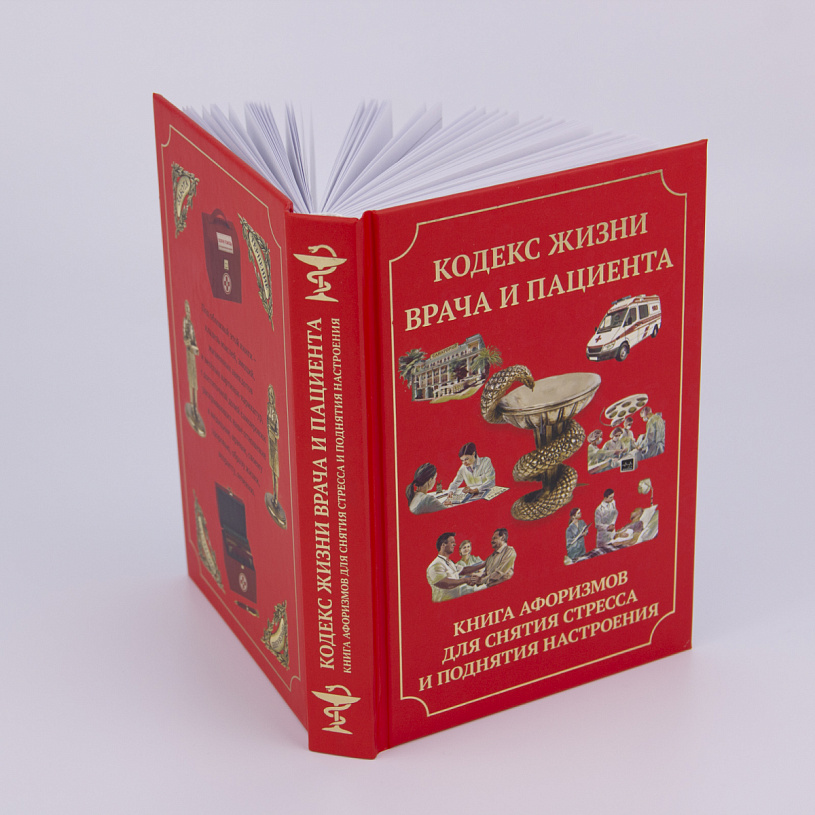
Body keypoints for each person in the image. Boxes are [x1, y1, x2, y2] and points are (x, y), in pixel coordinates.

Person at [427, 533, 480, 602]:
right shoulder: (436, 565)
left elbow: (464, 570)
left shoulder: (450, 562)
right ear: (443, 545)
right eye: (452, 542)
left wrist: (484, 564)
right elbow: (446, 584)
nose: (454, 544)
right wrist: (465, 580)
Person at [595, 489, 619, 553]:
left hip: (612, 533)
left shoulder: (613, 502)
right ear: (605, 498)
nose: (612, 499)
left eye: (613, 497)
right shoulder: (599, 509)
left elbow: (615, 513)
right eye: (610, 497)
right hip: (603, 536)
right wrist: (607, 527)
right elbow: (597, 525)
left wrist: (612, 523)